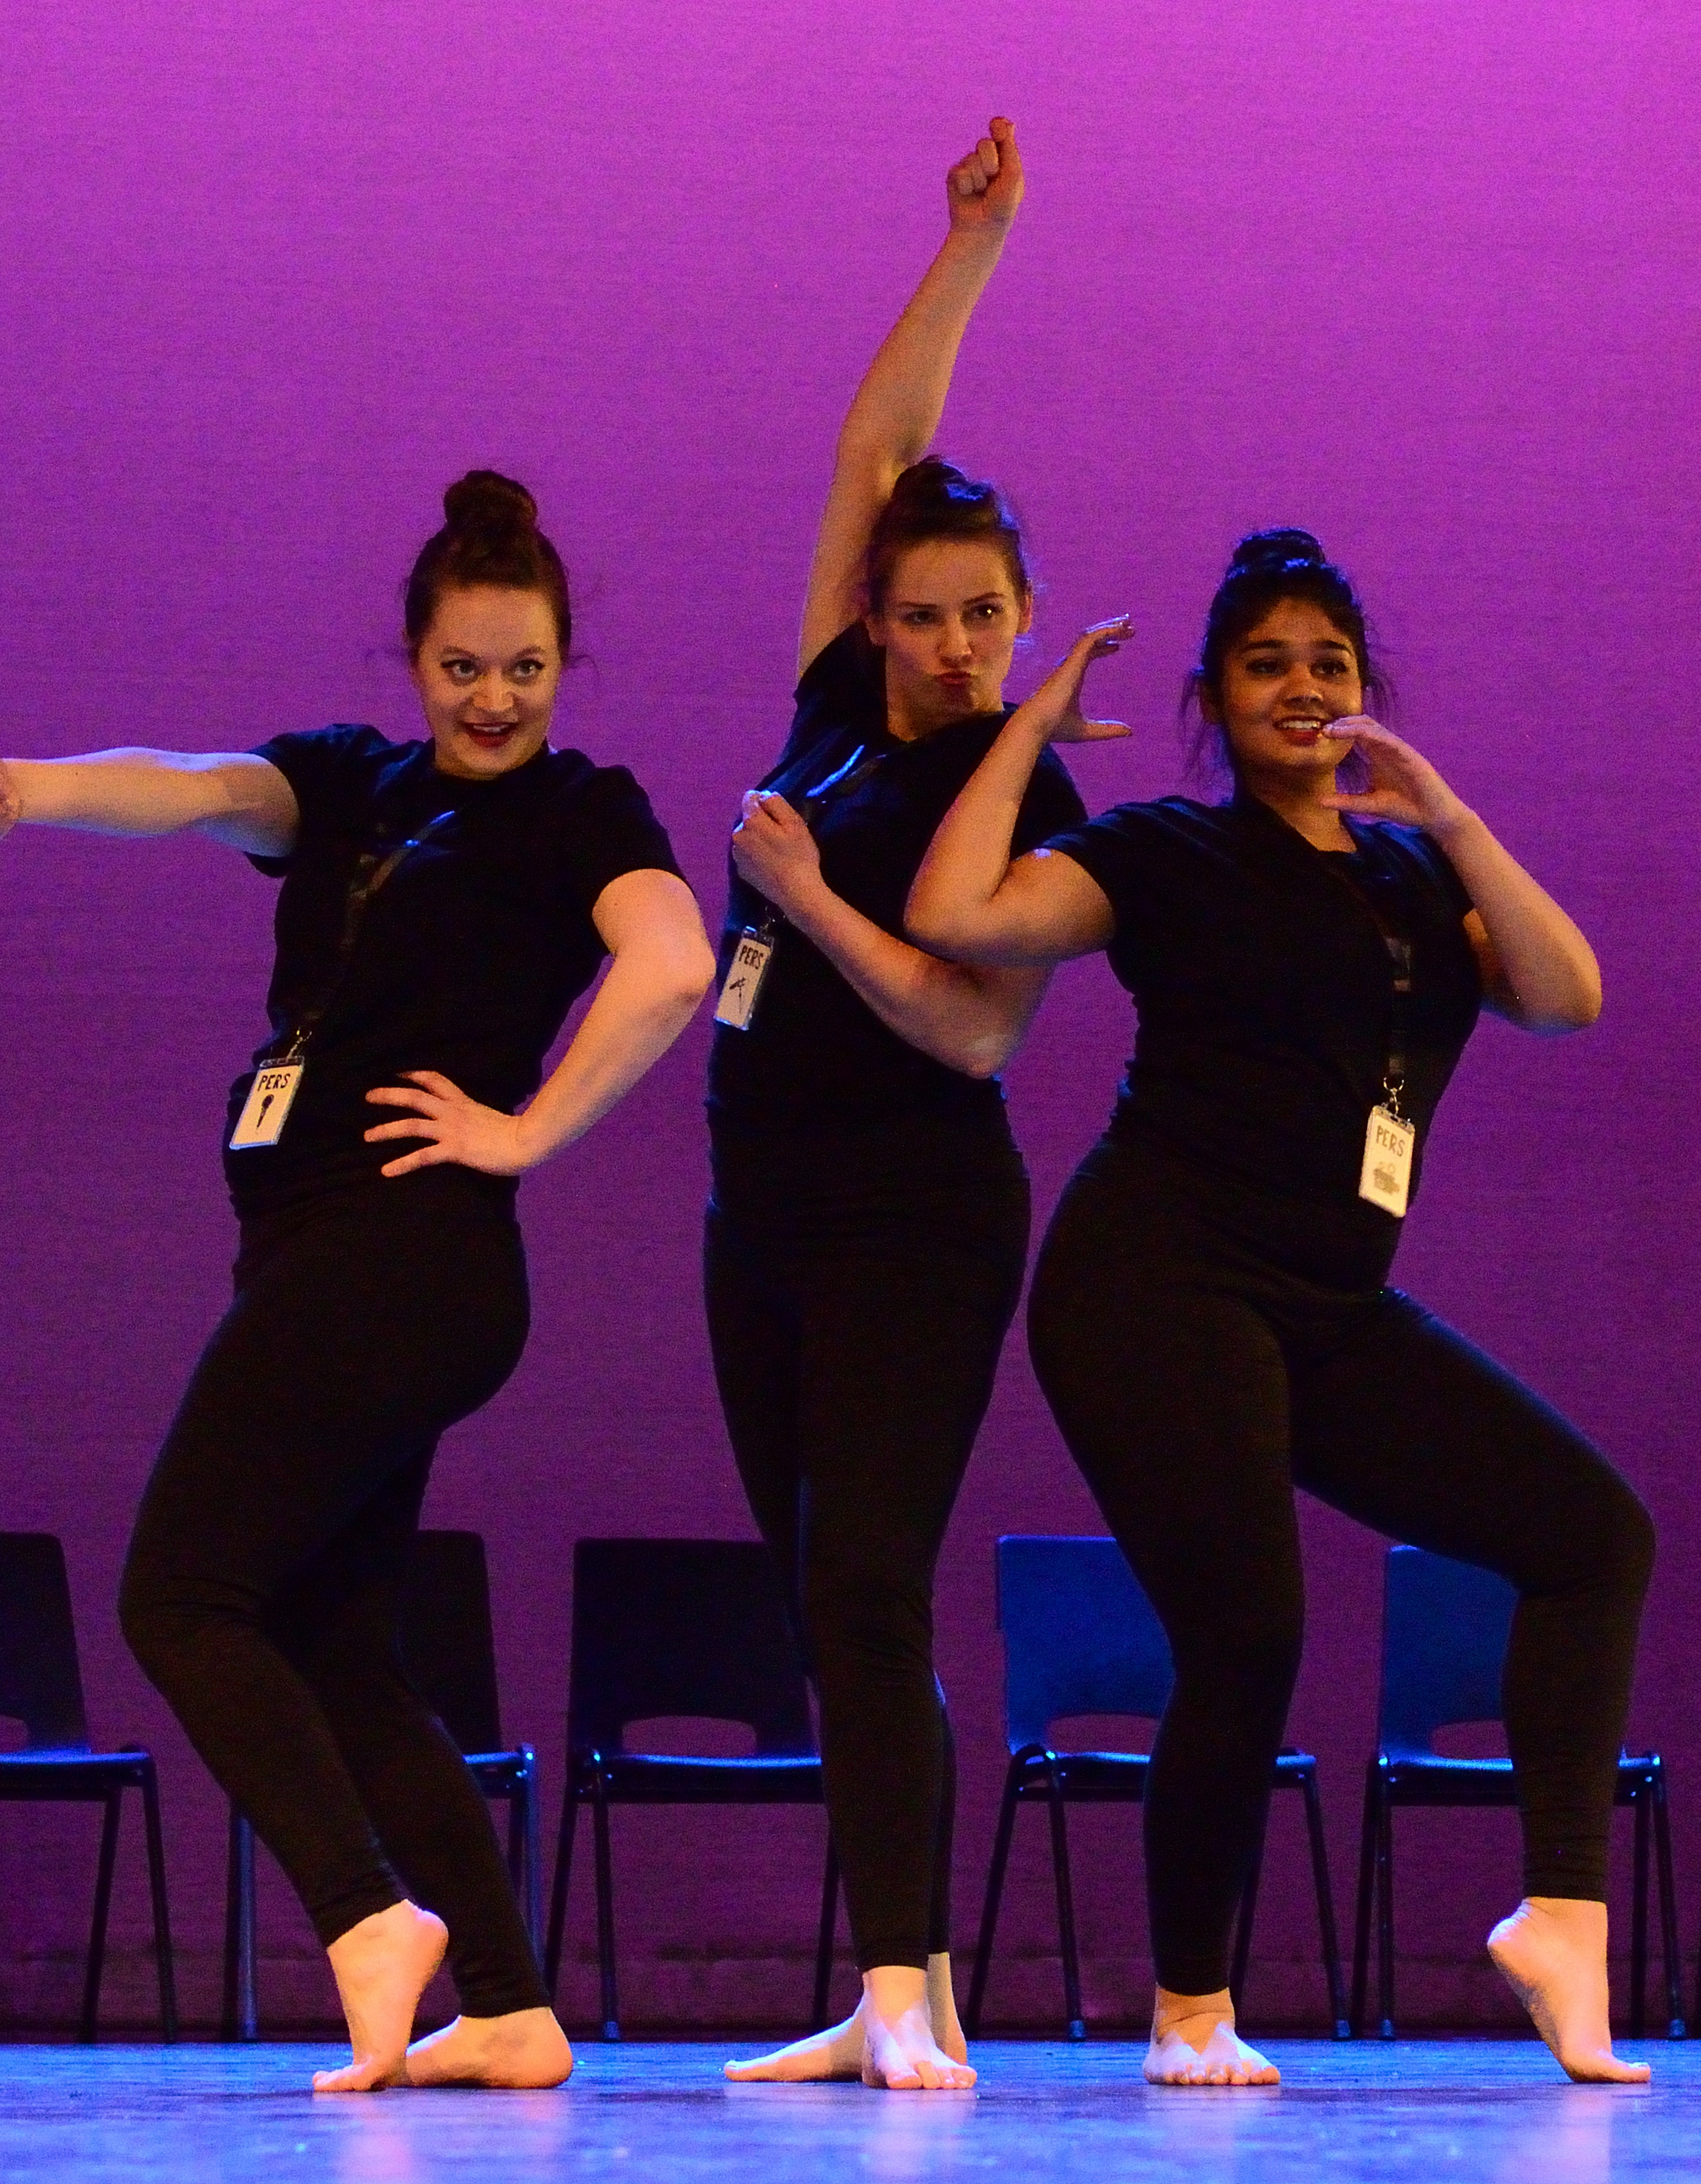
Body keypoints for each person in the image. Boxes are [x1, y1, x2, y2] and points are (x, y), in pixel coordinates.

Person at [0, 472, 713, 2091]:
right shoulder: (351, 784)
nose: (493, 699)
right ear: (413, 660)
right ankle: (509, 2006)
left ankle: (365, 1920)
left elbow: (677, 959)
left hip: (402, 1254)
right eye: (463, 667)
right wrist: (31, 790)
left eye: (526, 670)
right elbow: (194, 788)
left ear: (564, 669)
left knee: (178, 1596)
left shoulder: (582, 813)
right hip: (327, 1255)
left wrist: (527, 1129)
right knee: (339, 1644)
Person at [905, 532, 1658, 2087]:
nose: (1301, 687)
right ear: (1214, 697)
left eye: (1329, 663)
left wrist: (1450, 816)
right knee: (1248, 1631)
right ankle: (1190, 2010)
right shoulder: (1167, 852)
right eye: (1265, 665)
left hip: (1329, 1304)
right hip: (1155, 1282)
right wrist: (1030, 726)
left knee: (1594, 1536)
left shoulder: (1412, 877)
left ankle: (1561, 1921)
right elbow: (957, 910)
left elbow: (1566, 993)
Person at [711, 118, 1090, 2095]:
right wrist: (971, 249)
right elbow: (877, 449)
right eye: (925, 612)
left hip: (915, 1222)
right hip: (757, 1216)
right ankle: (898, 1985)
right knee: (824, 1595)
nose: (952, 644)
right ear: (877, 616)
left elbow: (973, 1034)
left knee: (867, 1577)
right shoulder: (829, 702)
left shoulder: (1032, 791)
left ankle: (901, 1987)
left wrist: (804, 901)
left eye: (983, 617)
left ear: (1022, 624)